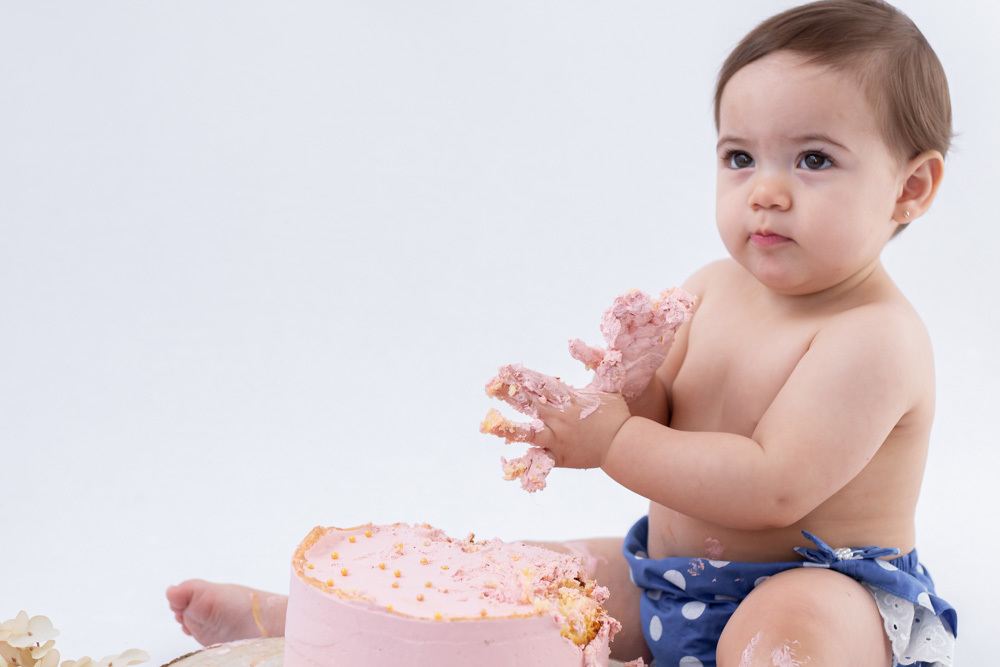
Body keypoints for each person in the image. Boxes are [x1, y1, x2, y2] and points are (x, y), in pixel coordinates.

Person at [167, 0, 958, 664]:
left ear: (910, 188)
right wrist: (632, 390)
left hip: (831, 599)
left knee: (792, 625)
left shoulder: (874, 338)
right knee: (530, 576)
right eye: (740, 157)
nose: (767, 192)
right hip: (668, 576)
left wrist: (611, 439)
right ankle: (320, 632)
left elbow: (770, 482)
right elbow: (660, 431)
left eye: (814, 159)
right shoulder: (712, 289)